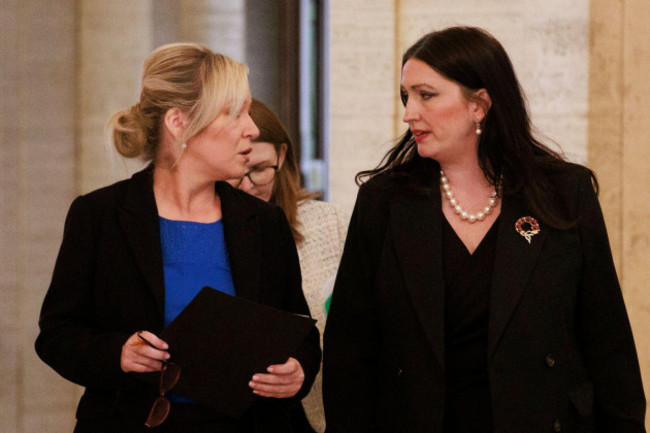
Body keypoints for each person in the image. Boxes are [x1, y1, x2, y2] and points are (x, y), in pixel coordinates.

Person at [323, 26, 646, 433]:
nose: (409, 113)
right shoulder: (385, 202)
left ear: (479, 104)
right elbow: (349, 352)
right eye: (406, 96)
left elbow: (607, 340)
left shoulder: (564, 192)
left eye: (426, 95)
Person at [35, 43, 321, 433]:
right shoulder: (99, 216)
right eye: (235, 112)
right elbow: (57, 336)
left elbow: (299, 330)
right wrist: (118, 353)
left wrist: (297, 370)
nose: (252, 128)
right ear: (179, 123)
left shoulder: (265, 222)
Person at [231, 99, 349, 433]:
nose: (248, 184)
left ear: (282, 157)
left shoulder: (332, 224)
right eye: (237, 174)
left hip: (317, 409)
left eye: (259, 169)